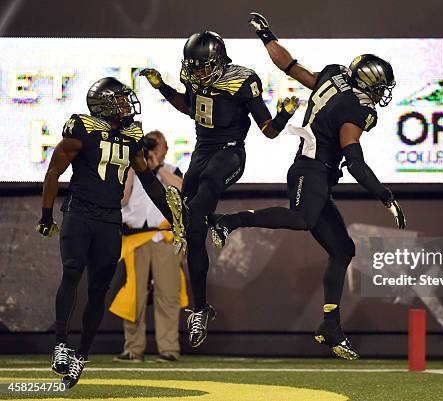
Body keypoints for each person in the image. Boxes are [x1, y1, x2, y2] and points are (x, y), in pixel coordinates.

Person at [209, 13, 406, 360]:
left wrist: (267, 35)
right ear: (367, 84)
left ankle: (330, 326)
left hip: (314, 174)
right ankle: (230, 221)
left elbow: (290, 66)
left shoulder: (333, 76)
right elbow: (356, 161)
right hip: (310, 171)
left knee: (343, 249)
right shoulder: (356, 108)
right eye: (379, 87)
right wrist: (385, 195)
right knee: (302, 218)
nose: (380, 94)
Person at [139, 30, 300, 348]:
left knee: (208, 186)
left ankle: (200, 220)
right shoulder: (194, 77)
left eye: (202, 66)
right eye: (193, 66)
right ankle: (200, 308)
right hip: (202, 150)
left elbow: (267, 131)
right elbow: (190, 106)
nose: (196, 72)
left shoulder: (243, 81)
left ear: (219, 62)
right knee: (195, 233)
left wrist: (282, 115)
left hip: (230, 153)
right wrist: (164, 88)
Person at [36, 77, 176, 388]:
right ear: (105, 104)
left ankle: (81, 356)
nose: (128, 105)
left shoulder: (131, 136)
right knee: (71, 272)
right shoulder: (81, 129)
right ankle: (61, 345)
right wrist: (46, 214)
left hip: (110, 219)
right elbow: (53, 171)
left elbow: (150, 182)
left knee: (99, 289)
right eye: (122, 100)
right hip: (80, 212)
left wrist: (173, 217)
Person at [111, 130, 186, 363]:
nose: (154, 149)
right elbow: (121, 199)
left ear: (166, 149)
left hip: (165, 239)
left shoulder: (171, 171)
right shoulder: (130, 170)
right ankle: (133, 349)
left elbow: (183, 190)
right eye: (149, 146)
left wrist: (157, 168)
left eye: (158, 145)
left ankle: (169, 350)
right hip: (135, 239)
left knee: (168, 295)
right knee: (134, 296)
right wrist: (135, 165)